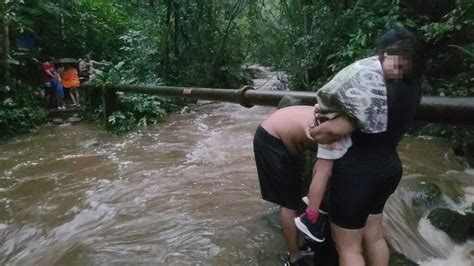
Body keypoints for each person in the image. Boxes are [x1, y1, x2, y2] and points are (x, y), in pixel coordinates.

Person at [307, 27, 423, 266]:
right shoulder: (411, 89)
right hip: (388, 168)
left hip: (358, 173)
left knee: (349, 249)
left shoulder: (372, 92)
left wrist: (315, 129)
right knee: (375, 237)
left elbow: (330, 131)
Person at [295, 54, 389, 242]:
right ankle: (311, 216)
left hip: (326, 114)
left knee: (322, 166)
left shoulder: (362, 67)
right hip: (331, 122)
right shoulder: (377, 74)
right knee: (324, 169)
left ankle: (315, 203)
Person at [253, 105, 352, 266]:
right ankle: (294, 256)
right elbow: (321, 170)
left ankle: (301, 243)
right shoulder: (329, 131)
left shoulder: (337, 120)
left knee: (297, 194)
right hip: (271, 138)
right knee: (288, 202)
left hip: (286, 134)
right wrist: (315, 208)